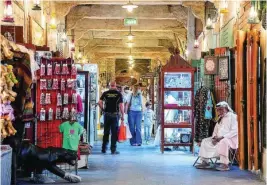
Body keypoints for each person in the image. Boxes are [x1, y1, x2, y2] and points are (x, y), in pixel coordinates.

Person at [195, 101, 238, 171]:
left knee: (223, 141)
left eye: (221, 109)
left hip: (230, 139)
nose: (219, 111)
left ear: (226, 108)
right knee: (205, 141)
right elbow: (215, 130)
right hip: (219, 138)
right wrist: (214, 138)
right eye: (218, 110)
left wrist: (222, 137)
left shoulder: (233, 117)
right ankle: (205, 162)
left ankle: (225, 164)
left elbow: (235, 131)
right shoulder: (220, 118)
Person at [98, 81, 124, 154]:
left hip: (107, 115)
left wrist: (103, 109)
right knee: (114, 133)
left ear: (109, 86)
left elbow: (99, 102)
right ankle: (113, 149)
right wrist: (122, 115)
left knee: (106, 132)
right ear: (115, 85)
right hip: (115, 115)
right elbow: (121, 106)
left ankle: (104, 148)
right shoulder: (118, 94)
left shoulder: (105, 93)